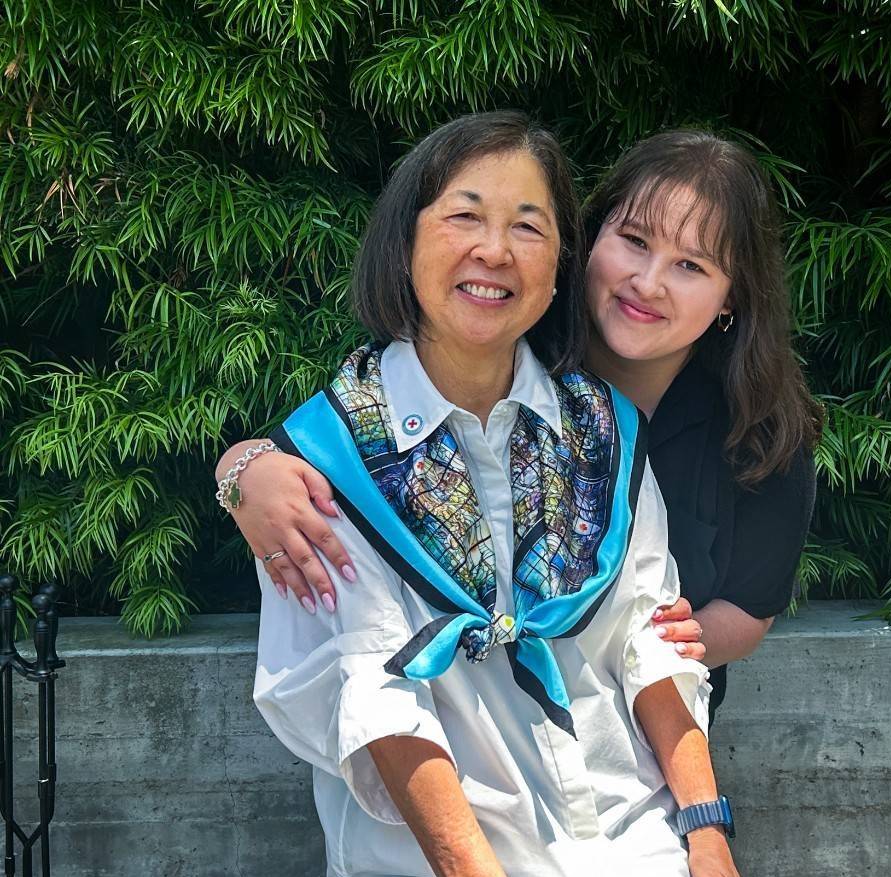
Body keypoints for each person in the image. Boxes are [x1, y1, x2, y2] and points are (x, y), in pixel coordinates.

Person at [250, 112, 799, 877]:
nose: (493, 248)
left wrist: (704, 829)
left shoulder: (601, 433)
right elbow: (377, 701)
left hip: (625, 853)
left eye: (527, 224)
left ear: (556, 269)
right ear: (406, 240)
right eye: (465, 215)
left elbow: (654, 643)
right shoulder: (325, 465)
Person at [219, 129, 820, 724]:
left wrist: (641, 651)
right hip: (459, 731)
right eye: (634, 241)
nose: (648, 282)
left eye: (690, 265)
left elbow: (750, 608)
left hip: (649, 733)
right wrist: (244, 469)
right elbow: (357, 427)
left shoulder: (762, 429)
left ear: (731, 297)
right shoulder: (504, 341)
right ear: (588, 239)